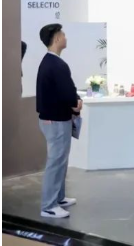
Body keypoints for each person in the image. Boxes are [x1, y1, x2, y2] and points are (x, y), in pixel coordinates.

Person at [36, 24, 81, 219]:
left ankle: (59, 197)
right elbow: (67, 92)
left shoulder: (50, 62)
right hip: (55, 121)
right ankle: (49, 205)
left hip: (55, 119)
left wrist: (73, 101)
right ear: (56, 39)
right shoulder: (56, 64)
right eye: (63, 35)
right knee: (56, 161)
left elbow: (64, 90)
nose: (65, 37)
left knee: (61, 159)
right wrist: (76, 103)